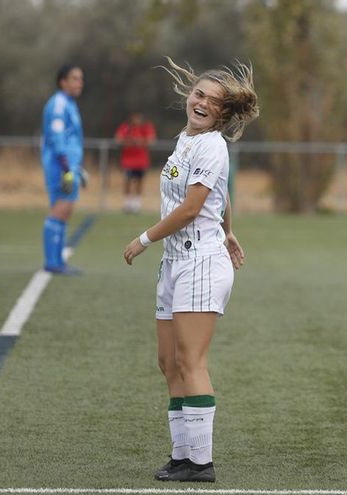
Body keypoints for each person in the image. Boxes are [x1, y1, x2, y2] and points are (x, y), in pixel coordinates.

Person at [123, 57, 259, 483]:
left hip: (201, 261)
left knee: (192, 361)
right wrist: (230, 230)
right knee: (169, 362)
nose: (201, 102)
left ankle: (201, 463)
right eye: (198, 93)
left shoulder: (212, 144)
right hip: (177, 264)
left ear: (222, 113)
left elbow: (191, 208)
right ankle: (182, 456)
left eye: (212, 101)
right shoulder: (185, 140)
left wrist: (144, 239)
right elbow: (218, 195)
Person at [41, 64, 84, 274]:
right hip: (60, 166)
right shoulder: (58, 104)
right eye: (75, 78)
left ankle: (58, 260)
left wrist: (78, 169)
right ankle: (52, 262)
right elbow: (57, 138)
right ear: (63, 82)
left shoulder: (70, 104)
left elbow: (71, 140)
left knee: (65, 211)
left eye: (80, 79)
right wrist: (67, 168)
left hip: (69, 166)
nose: (79, 83)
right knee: (60, 209)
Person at [115, 111, 157, 213]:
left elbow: (152, 140)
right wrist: (129, 141)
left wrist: (140, 141)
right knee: (127, 181)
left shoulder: (146, 127)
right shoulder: (126, 127)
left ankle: (136, 205)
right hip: (128, 161)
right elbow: (118, 139)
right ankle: (127, 204)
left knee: (139, 182)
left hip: (141, 161)